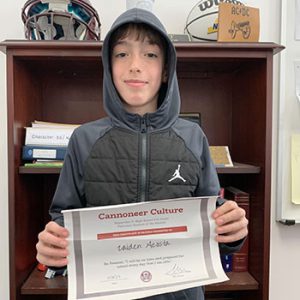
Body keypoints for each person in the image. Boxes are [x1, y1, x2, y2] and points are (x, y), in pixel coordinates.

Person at [36, 7, 248, 300]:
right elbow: (63, 221)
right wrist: (51, 247)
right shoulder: (83, 139)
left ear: (165, 71)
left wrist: (233, 232)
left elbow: (212, 222)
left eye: (150, 54)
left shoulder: (193, 138)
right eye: (122, 54)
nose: (135, 65)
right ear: (109, 67)